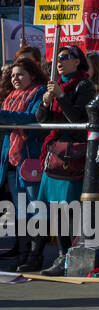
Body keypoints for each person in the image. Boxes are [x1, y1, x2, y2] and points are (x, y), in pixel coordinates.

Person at [2, 59, 48, 271]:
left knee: (34, 208)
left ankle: (35, 255)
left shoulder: (38, 93)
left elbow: (32, 117)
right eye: (13, 75)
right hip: (12, 161)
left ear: (32, 75)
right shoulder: (10, 97)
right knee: (20, 210)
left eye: (20, 74)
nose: (15, 78)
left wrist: (4, 116)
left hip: (29, 158)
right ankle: (22, 254)